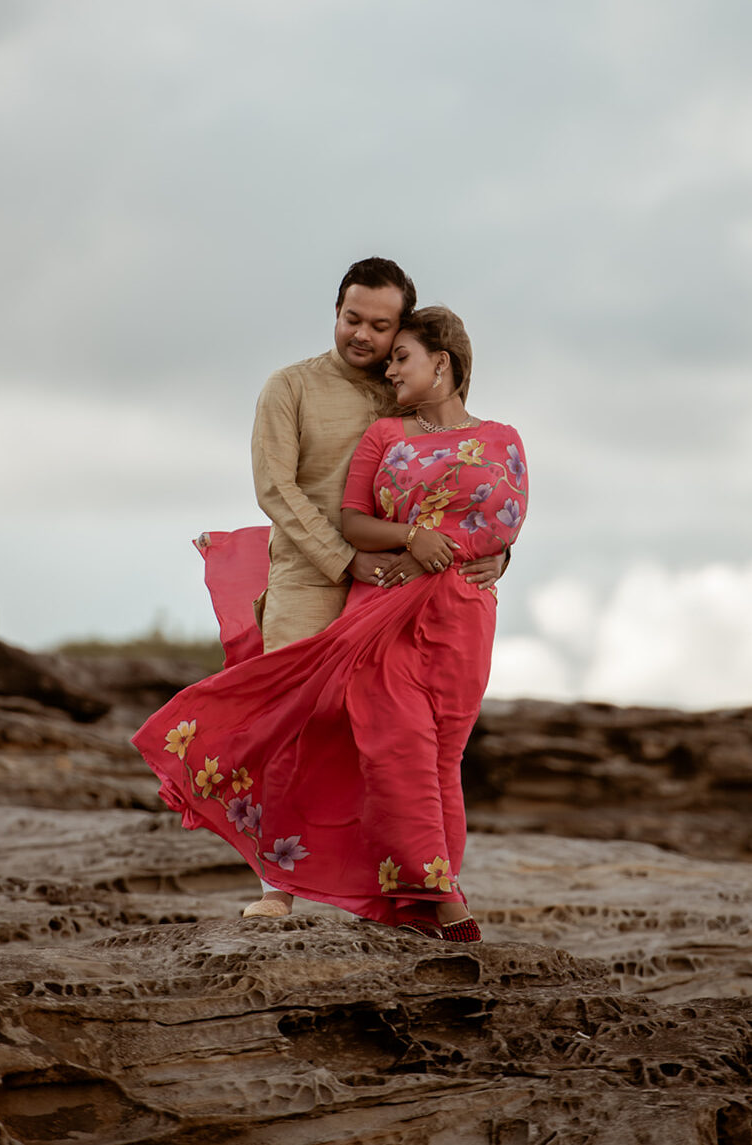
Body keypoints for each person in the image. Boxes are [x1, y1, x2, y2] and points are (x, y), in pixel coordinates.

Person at [132, 305, 528, 944]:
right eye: (361, 327)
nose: (387, 363)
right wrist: (412, 539)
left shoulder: (503, 436)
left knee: (441, 758)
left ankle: (412, 903)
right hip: (374, 604)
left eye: (399, 352)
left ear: (442, 362)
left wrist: (492, 555)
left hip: (462, 615)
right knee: (384, 747)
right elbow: (346, 518)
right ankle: (434, 904)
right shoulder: (370, 426)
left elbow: (505, 517)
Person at [246, 257, 510, 918]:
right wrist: (345, 560)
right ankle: (276, 889)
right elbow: (275, 487)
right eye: (351, 319)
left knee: (390, 741)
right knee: (298, 725)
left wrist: (500, 554)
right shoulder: (291, 387)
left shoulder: (403, 390)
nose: (363, 336)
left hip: (396, 589)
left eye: (380, 327)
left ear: (402, 332)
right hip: (310, 578)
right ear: (336, 313)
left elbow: (463, 486)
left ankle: (392, 889)